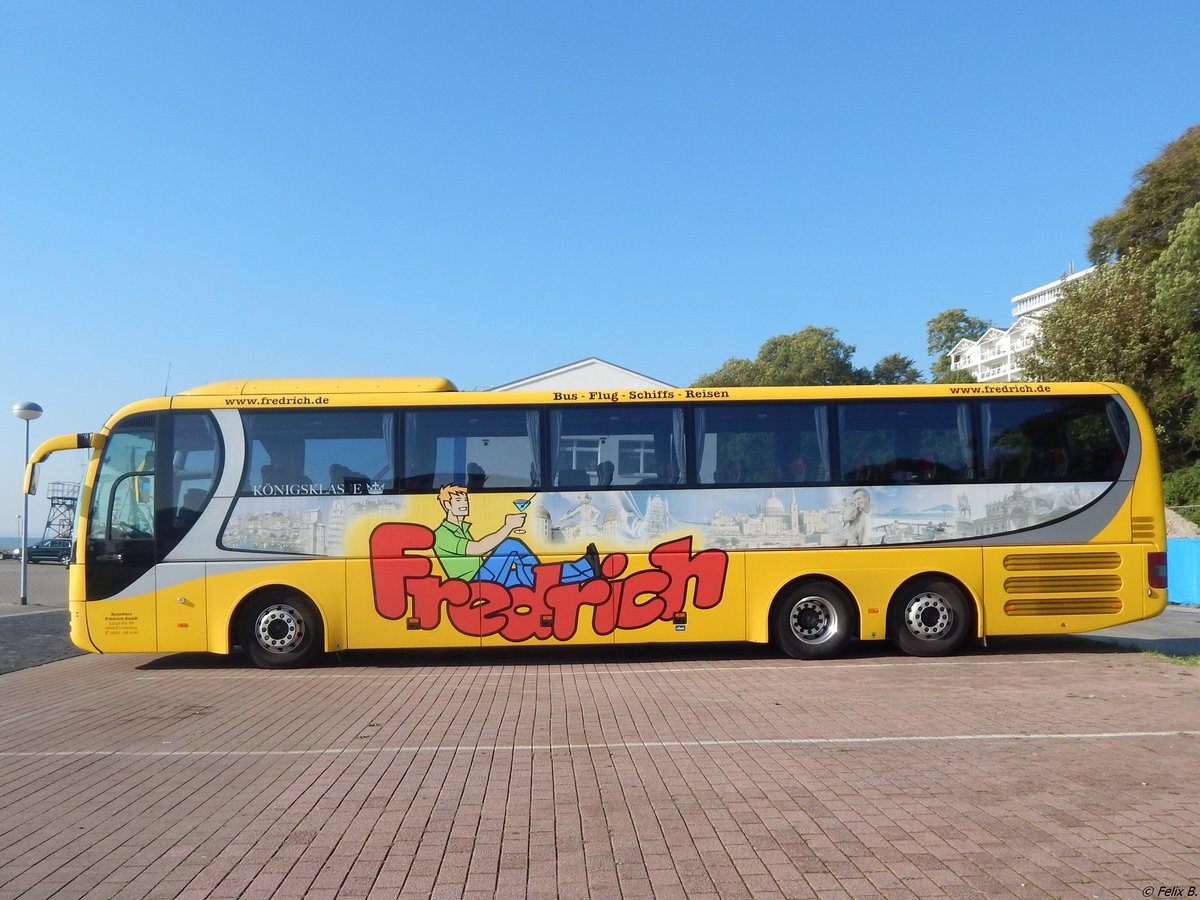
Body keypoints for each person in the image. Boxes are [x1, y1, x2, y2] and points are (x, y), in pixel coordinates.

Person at [432, 484, 600, 588]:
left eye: (465, 500)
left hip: (482, 578)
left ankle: (586, 569)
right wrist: (508, 526)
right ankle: (541, 577)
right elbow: (478, 548)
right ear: (447, 505)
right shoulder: (442, 534)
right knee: (511, 546)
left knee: (523, 578)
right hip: (472, 584)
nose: (465, 504)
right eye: (459, 501)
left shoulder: (462, 527)